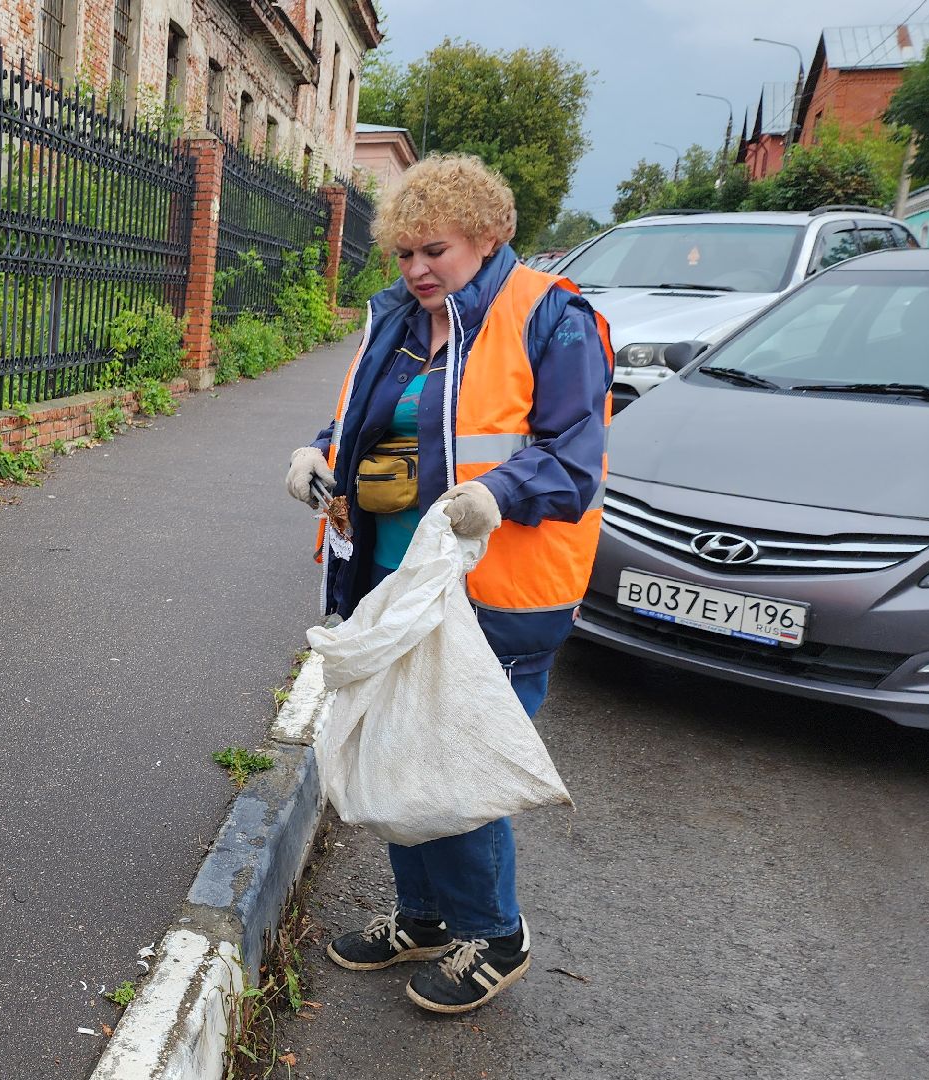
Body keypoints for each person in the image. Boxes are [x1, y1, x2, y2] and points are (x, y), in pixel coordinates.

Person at [285, 154, 613, 1014]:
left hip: (495, 594)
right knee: (398, 753)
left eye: (434, 250)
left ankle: (494, 933)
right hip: (389, 584)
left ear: (488, 235)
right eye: (403, 254)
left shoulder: (552, 317)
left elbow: (574, 458)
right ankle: (426, 917)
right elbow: (363, 421)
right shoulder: (398, 321)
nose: (417, 269)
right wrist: (319, 455)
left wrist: (496, 493)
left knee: (452, 767)